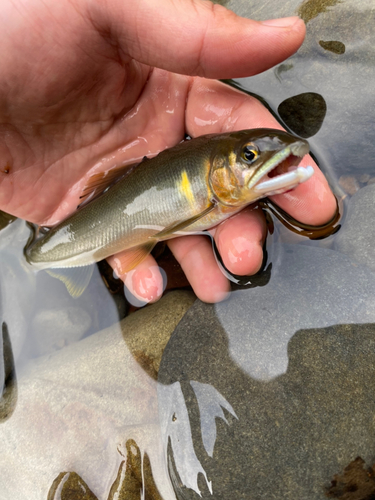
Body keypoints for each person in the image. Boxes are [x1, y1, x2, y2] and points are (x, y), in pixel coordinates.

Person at [0, 0, 336, 303]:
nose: (258, 159)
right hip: (60, 238)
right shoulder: (211, 196)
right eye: (248, 155)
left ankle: (33, 262)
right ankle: (28, 264)